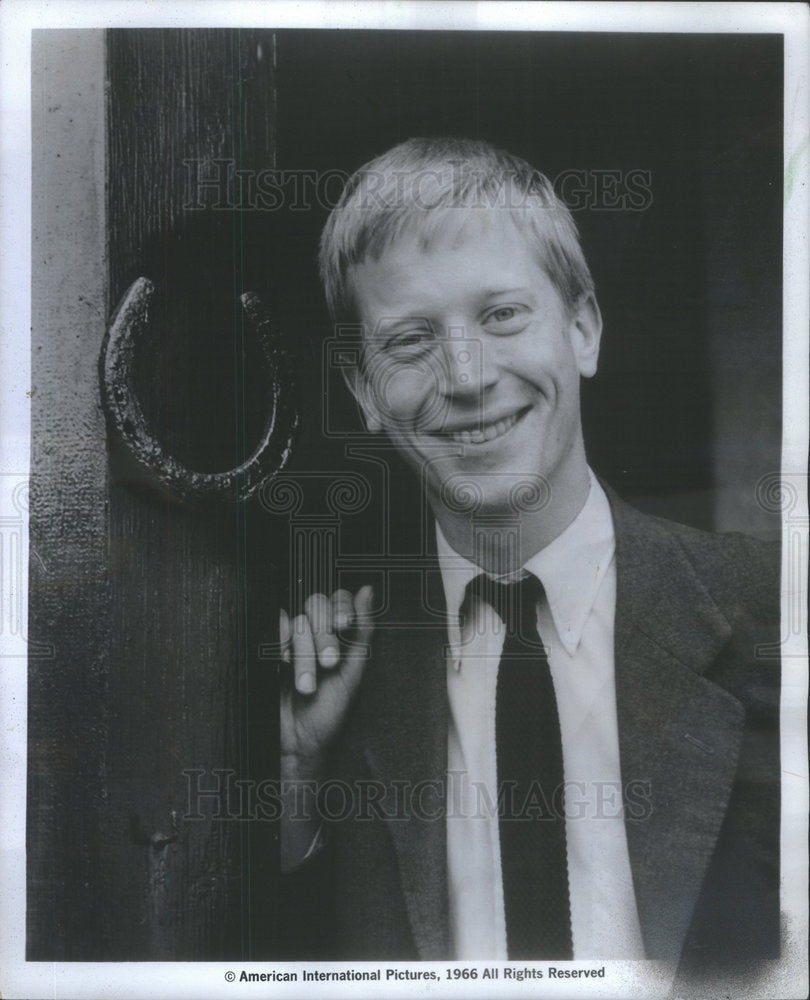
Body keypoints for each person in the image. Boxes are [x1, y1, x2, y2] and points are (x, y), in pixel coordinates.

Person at [277, 137, 780, 977]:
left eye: (503, 314)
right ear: (364, 392)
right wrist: (294, 781)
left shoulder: (777, 613)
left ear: (582, 330)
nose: (467, 375)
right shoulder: (340, 695)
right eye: (409, 341)